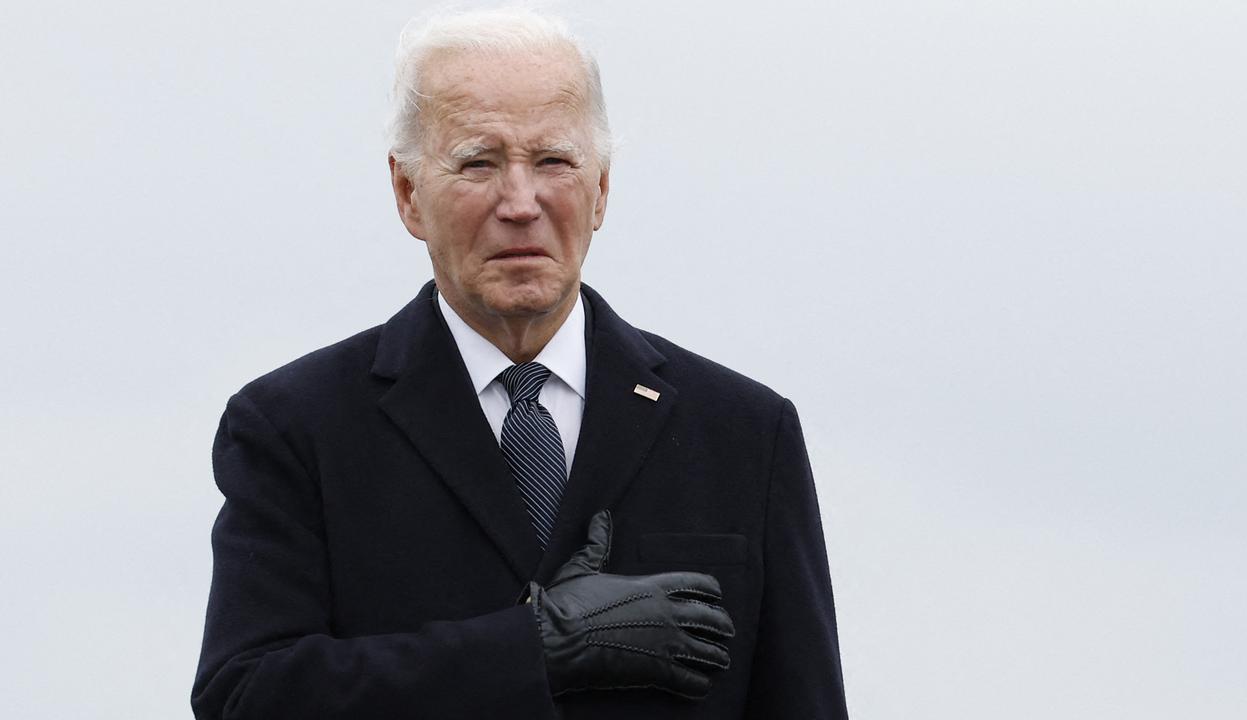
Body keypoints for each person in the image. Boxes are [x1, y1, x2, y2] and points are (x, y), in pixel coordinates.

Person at [192, 7, 846, 719]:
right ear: (408, 193)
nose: (521, 202)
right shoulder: (297, 428)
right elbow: (246, 698)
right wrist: (534, 647)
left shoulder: (745, 434)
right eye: (478, 161)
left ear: (601, 189)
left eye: (553, 161)